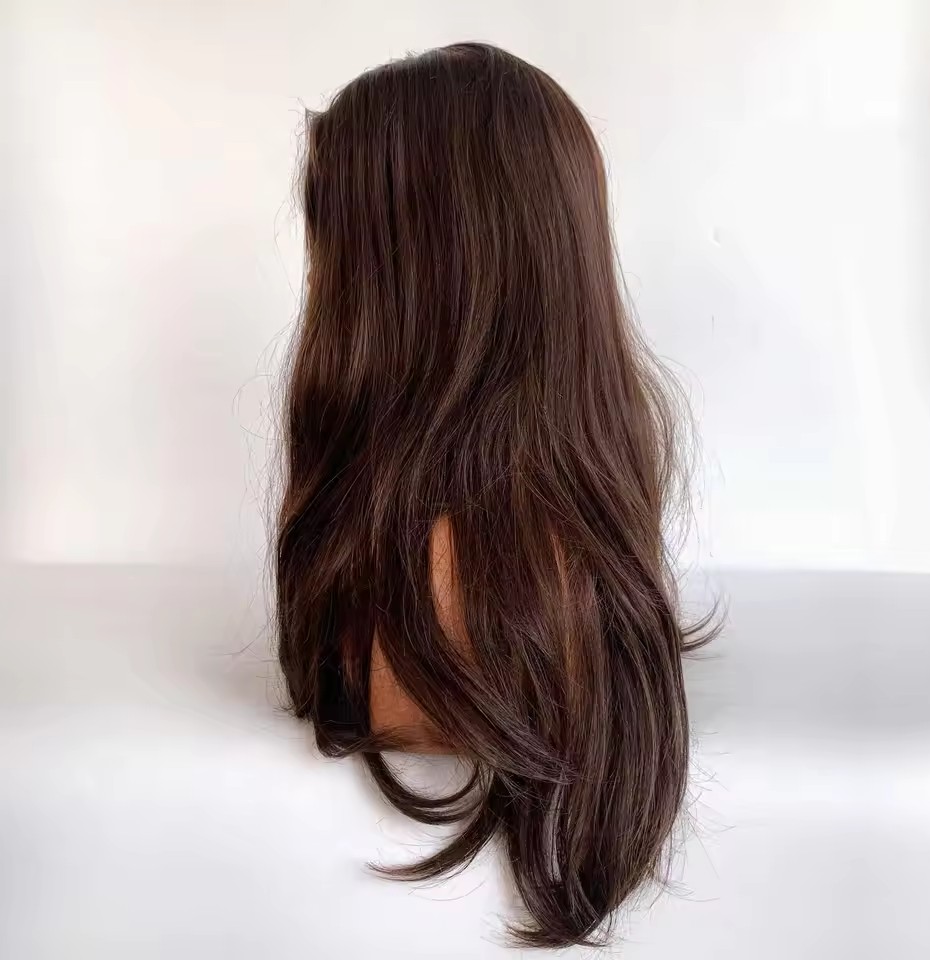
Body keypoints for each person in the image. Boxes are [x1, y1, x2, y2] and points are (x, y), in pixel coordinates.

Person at [276, 42, 710, 949]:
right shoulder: (554, 553)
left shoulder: (432, 600)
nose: (314, 281)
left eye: (337, 244)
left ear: (417, 280)